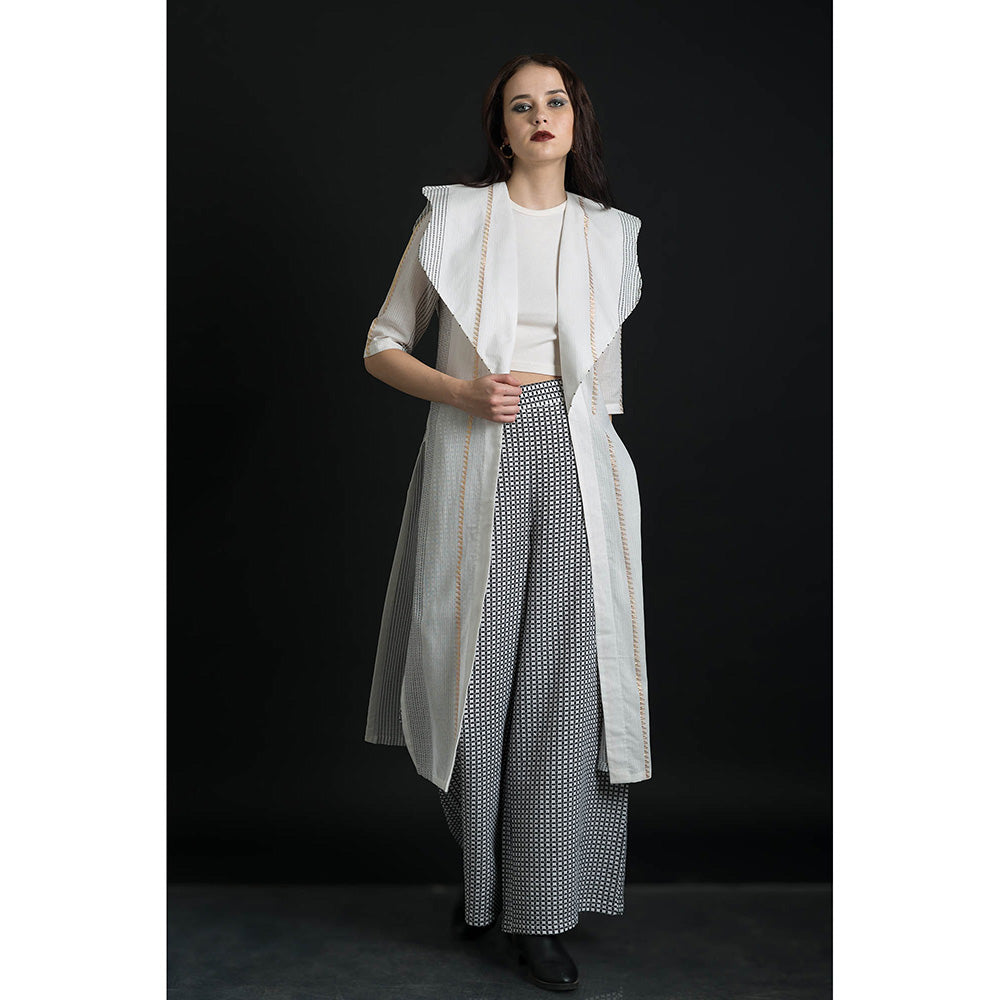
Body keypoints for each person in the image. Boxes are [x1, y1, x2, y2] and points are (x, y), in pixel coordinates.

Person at [362, 53, 651, 992]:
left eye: (555, 101)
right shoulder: (453, 219)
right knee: (473, 691)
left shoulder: (610, 234)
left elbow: (602, 388)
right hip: (475, 450)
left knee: (563, 694)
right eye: (521, 105)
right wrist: (462, 391)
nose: (540, 116)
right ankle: (482, 884)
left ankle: (538, 913)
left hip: (576, 462)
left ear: (576, 120)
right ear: (502, 129)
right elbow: (381, 345)